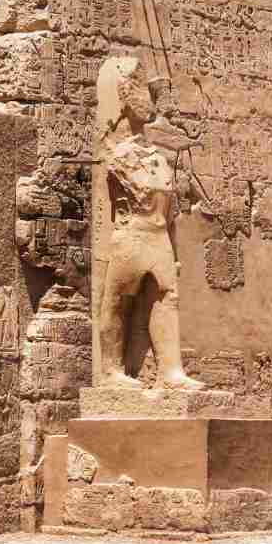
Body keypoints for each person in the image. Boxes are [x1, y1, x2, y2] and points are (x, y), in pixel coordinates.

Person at [96, 57, 204, 390]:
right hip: (132, 234)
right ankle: (111, 371)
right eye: (141, 91)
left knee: (167, 298)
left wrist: (174, 251)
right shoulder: (119, 155)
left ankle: (170, 371)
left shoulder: (157, 157)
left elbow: (170, 213)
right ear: (125, 98)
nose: (150, 101)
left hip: (159, 238)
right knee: (117, 299)